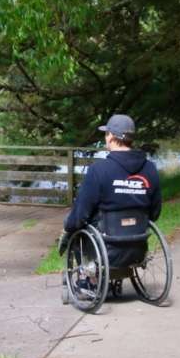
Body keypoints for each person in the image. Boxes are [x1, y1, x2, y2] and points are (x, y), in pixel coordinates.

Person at [59, 114, 162, 270]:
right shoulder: (150, 169)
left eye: (106, 133)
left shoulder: (99, 170)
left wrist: (68, 227)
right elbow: (155, 212)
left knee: (75, 225)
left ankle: (89, 279)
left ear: (111, 137)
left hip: (105, 248)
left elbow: (81, 213)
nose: (105, 137)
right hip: (137, 246)